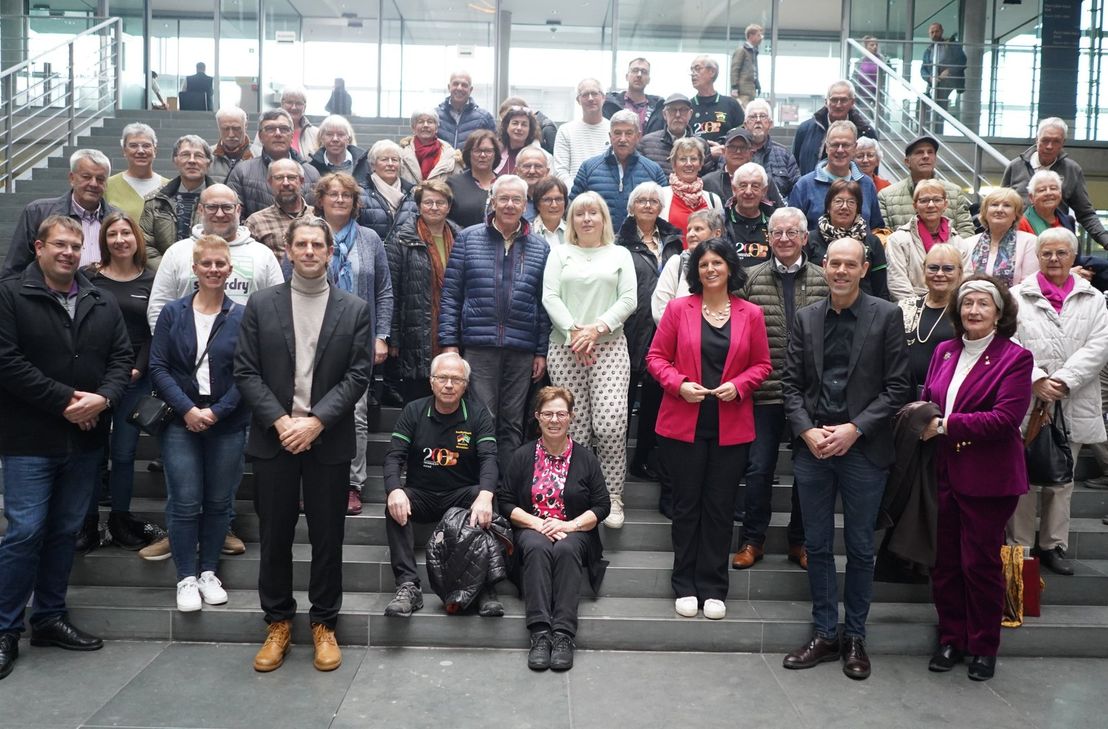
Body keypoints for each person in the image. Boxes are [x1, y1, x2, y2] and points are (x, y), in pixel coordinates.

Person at [234, 216, 372, 673]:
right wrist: (280, 421)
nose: (310, 251)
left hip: (326, 441)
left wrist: (314, 421)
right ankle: (277, 623)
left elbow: (358, 375)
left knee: (327, 538)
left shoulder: (353, 308)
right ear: (288, 251)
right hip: (275, 440)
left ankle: (323, 624)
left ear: (330, 253)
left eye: (319, 245)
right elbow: (246, 371)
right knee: (273, 537)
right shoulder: (260, 304)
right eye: (302, 245)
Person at [0, 215, 132, 681]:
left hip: (86, 438)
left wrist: (106, 397)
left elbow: (122, 358)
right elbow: (6, 362)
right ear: (38, 247)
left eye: (76, 246)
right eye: (60, 245)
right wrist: (66, 402)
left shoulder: (99, 298)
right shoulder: (11, 295)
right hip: (28, 440)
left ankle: (49, 617)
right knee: (24, 532)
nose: (68, 253)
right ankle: (4, 629)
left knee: (64, 532)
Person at [781, 237, 911, 680]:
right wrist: (807, 429)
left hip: (863, 449)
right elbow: (791, 385)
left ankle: (855, 636)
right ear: (824, 266)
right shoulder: (806, 317)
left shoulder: (887, 315)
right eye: (833, 263)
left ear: (863, 268)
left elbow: (898, 388)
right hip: (814, 448)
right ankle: (824, 632)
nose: (839, 270)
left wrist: (855, 429)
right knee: (816, 546)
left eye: (848, 264)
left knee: (858, 548)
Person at [647, 236, 771, 619]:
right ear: (695, 272)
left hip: (730, 426)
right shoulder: (677, 308)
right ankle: (684, 583)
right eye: (703, 264)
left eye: (717, 262)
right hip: (683, 425)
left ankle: (714, 586)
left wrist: (740, 385)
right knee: (686, 507)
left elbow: (763, 365)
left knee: (719, 508)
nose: (711, 269)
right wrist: (678, 385)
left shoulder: (750, 313)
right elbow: (655, 357)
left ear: (731, 268)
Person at [920, 275, 1032, 681]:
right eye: (967, 304)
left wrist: (946, 425)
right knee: (945, 563)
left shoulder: (1014, 358)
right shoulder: (945, 351)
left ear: (1000, 313)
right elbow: (929, 396)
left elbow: (1005, 420)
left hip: (989, 478)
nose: (974, 311)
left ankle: (983, 646)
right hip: (944, 472)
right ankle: (951, 637)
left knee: (979, 564)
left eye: (983, 304)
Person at [148, 234, 248, 612]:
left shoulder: (241, 316)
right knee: (186, 501)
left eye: (220, 264)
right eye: (206, 264)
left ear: (230, 269)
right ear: (194, 268)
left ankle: (209, 571)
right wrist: (188, 409)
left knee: (220, 501)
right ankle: (186, 576)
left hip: (227, 419)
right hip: (180, 419)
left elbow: (248, 371)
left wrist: (218, 411)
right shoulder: (173, 313)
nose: (213, 269)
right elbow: (158, 367)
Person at [733, 207, 828, 571]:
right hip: (765, 392)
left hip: (811, 396)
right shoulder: (751, 279)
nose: (784, 239)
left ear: (805, 238)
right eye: (777, 233)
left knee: (809, 469)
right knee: (758, 469)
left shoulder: (824, 279)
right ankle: (752, 540)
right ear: (767, 238)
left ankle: (800, 542)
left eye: (792, 233)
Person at [1009, 228, 1108, 576]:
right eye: (1047, 253)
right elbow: (1010, 342)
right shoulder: (1016, 296)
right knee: (1021, 477)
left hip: (1075, 397)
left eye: (1062, 253)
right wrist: (1036, 378)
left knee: (1062, 478)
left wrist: (1064, 381)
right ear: (1037, 255)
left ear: (1073, 256)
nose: (1054, 259)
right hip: (1025, 398)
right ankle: (1019, 545)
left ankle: (1053, 545)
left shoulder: (1093, 298)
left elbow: (1100, 346)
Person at [439, 174, 551, 470]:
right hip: (478, 345)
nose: (510, 204)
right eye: (504, 198)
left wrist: (541, 351)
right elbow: (451, 295)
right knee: (481, 416)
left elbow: (544, 304)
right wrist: (450, 344)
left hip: (522, 347)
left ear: (526, 203)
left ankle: (506, 489)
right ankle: (480, 483)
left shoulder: (541, 247)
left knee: (513, 422)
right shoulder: (468, 238)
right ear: (493, 201)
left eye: (516, 199)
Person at [499, 386, 610, 671]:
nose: (554, 420)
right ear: (537, 417)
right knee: (535, 546)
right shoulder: (522, 456)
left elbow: (601, 506)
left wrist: (569, 525)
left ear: (571, 417)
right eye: (547, 413)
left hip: (573, 531)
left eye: (561, 413)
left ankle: (562, 635)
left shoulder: (585, 459)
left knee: (565, 547)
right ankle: (539, 634)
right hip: (531, 527)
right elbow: (506, 500)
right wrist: (537, 523)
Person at [543, 192, 637, 528]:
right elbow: (550, 297)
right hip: (565, 347)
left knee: (610, 424)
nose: (586, 218)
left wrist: (595, 330)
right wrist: (574, 332)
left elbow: (628, 299)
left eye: (593, 212)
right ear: (572, 220)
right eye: (579, 213)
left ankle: (612, 496)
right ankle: (577, 495)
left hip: (609, 347)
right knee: (573, 427)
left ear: (603, 219)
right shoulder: (560, 253)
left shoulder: (619, 254)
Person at [381, 352, 500, 618]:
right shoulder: (413, 410)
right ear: (431, 382)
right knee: (394, 504)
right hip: (421, 495)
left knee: (486, 498)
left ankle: (483, 587)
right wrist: (394, 489)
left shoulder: (478, 415)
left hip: (458, 500)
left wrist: (485, 494)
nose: (448, 384)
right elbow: (393, 457)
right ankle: (408, 586)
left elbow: (489, 459)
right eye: (442, 378)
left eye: (456, 379)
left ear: (465, 385)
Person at [312, 172, 394, 512]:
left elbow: (384, 291)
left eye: (346, 195)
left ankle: (352, 484)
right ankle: (314, 479)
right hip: (315, 336)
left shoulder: (370, 239)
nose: (340, 200)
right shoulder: (309, 235)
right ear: (322, 199)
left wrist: (382, 336)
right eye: (333, 194)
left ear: (355, 201)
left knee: (356, 415)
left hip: (359, 337)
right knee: (314, 409)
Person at [78, 213, 157, 552]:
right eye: (113, 234)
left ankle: (120, 519)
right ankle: (88, 522)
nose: (120, 239)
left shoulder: (152, 279)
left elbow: (157, 331)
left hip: (134, 380)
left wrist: (137, 369)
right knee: (93, 453)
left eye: (127, 233)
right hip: (94, 379)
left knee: (124, 454)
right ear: (104, 240)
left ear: (137, 238)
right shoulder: (87, 277)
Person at [618, 182, 683, 492]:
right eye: (641, 200)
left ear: (661, 207)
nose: (647, 205)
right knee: (623, 400)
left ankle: (643, 458)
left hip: (667, 331)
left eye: (653, 201)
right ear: (632, 207)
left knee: (656, 402)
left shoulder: (675, 242)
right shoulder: (620, 243)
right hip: (630, 330)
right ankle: (615, 463)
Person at [147, 184, 285, 330]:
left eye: (227, 207)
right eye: (212, 207)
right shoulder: (177, 252)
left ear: (238, 210)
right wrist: (165, 345)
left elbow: (277, 307)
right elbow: (159, 306)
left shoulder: (262, 254)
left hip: (246, 348)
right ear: (200, 210)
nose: (219, 214)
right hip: (186, 348)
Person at [387, 179, 462, 404]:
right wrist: (394, 337)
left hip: (452, 329)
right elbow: (392, 290)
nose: (434, 207)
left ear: (448, 206)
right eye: (428, 202)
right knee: (419, 400)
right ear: (419, 206)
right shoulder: (401, 238)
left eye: (440, 202)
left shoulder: (462, 237)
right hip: (414, 334)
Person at [5, 149, 116, 274]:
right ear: (72, 178)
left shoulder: (116, 219)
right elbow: (15, 268)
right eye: (86, 177)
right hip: (49, 292)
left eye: (100, 179)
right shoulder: (38, 212)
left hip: (104, 291)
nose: (94, 184)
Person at [1003, 118, 1108, 250]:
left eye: (1056, 141)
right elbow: (1001, 203)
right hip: (1017, 241)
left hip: (1056, 243)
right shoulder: (1015, 166)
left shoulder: (1072, 170)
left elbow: (1085, 213)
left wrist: (1105, 240)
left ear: (1063, 143)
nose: (1049, 146)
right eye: (1045, 140)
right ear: (1037, 139)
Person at [570, 110, 667, 230]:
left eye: (629, 133)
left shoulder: (653, 170)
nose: (622, 139)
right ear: (610, 137)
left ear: (638, 136)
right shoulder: (588, 168)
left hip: (640, 244)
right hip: (598, 243)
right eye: (617, 133)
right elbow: (573, 208)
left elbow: (664, 211)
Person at [791, 120, 884, 234]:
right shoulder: (804, 185)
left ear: (855, 148)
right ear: (826, 147)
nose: (840, 150)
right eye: (835, 145)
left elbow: (876, 227)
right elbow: (793, 230)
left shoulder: (867, 184)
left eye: (845, 145)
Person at [885, 179, 971, 302]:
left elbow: (965, 281)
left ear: (945, 204)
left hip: (950, 311)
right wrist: (920, 310)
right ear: (915, 206)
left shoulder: (959, 243)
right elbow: (897, 283)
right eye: (924, 200)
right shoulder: (898, 240)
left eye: (937, 200)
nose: (931, 205)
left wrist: (949, 308)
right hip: (911, 310)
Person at [226, 109, 320, 217]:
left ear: (291, 136)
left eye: (284, 129)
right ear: (260, 137)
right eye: (270, 129)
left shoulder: (311, 173)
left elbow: (318, 215)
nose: (278, 134)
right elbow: (233, 216)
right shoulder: (242, 172)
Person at [897, 243, 964, 396]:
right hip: (903, 394)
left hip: (945, 396)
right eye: (933, 268)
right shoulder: (905, 306)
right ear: (924, 270)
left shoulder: (965, 312)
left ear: (960, 273)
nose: (939, 274)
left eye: (948, 269)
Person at [804, 179, 889, 299]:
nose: (844, 207)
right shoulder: (810, 239)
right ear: (828, 207)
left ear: (858, 209)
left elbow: (881, 290)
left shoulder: (872, 242)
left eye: (851, 202)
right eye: (838, 201)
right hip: (819, 307)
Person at [141, 135, 215, 269]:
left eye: (198, 155)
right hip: (166, 275)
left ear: (208, 162)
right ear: (175, 160)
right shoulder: (155, 200)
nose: (192, 161)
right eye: (185, 155)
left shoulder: (225, 200)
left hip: (212, 273)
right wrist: (169, 271)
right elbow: (145, 245)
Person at [877, 135, 974, 236]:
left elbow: (966, 232)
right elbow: (884, 237)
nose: (926, 156)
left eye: (930, 152)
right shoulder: (886, 196)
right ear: (907, 161)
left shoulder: (955, 192)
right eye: (919, 152)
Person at [652, 209, 726, 321]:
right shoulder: (677, 263)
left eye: (698, 229)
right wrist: (683, 333)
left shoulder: (727, 264)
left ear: (717, 233)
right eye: (689, 230)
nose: (691, 234)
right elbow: (659, 309)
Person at [792, 80, 877, 176]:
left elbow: (873, 172)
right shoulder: (805, 130)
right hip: (812, 188)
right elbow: (794, 167)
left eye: (844, 100)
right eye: (834, 100)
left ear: (852, 102)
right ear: (826, 102)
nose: (838, 105)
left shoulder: (866, 132)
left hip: (853, 189)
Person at [963, 187, 1037, 288]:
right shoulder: (967, 244)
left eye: (1007, 205)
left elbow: (1029, 285)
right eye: (994, 205)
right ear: (985, 212)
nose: (999, 210)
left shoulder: (1030, 242)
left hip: (1015, 302)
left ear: (1016, 214)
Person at [244, 159, 314, 260]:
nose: (285, 183)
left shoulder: (318, 215)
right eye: (279, 178)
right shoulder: (256, 222)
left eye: (291, 177)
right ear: (270, 182)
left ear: (301, 181)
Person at [702, 127, 784, 207]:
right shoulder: (709, 182)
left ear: (752, 153)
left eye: (743, 147)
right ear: (724, 151)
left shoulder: (764, 180)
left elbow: (780, 211)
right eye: (732, 147)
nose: (738, 151)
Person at [660, 137, 723, 241]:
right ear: (674, 165)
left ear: (701, 164)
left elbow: (719, 238)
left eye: (693, 159)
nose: (688, 164)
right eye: (683, 159)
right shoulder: (661, 196)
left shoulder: (713, 200)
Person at [104, 123, 168, 222]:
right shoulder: (107, 186)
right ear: (124, 151)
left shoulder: (169, 186)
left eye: (146, 146)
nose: (141, 151)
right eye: (133, 146)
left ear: (155, 151)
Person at [554, 79, 613, 185]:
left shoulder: (614, 130)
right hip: (575, 198)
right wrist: (576, 194)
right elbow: (560, 172)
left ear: (603, 97)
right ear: (578, 100)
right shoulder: (565, 131)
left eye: (594, 93)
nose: (590, 98)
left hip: (606, 197)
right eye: (585, 94)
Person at [636, 93, 710, 177]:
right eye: (672, 110)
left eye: (683, 110)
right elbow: (638, 178)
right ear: (664, 114)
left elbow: (707, 180)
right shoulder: (647, 143)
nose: (678, 115)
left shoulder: (701, 145)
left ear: (690, 114)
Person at [359, 139, 418, 242]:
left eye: (394, 160)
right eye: (384, 159)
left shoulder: (412, 193)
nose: (390, 164)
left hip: (404, 256)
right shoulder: (361, 193)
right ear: (373, 165)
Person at [744, 99, 800, 198]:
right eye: (752, 117)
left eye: (763, 116)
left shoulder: (785, 154)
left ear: (771, 123)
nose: (758, 120)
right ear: (745, 125)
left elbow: (797, 190)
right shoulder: (735, 153)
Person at [724, 162, 776, 267]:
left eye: (755, 186)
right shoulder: (721, 222)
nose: (748, 192)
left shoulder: (774, 225)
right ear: (734, 189)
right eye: (743, 186)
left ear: (764, 191)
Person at [689, 55, 745, 152]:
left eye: (697, 69)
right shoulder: (688, 106)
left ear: (712, 72)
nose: (693, 74)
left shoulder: (731, 104)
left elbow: (743, 135)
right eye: (692, 70)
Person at [446, 129, 499, 229]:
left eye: (488, 151)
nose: (482, 155)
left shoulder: (505, 184)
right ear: (468, 153)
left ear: (495, 154)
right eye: (477, 151)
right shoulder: (453, 184)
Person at [921, 23, 966, 131]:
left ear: (941, 31)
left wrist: (949, 71)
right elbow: (923, 69)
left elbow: (962, 60)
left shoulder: (951, 45)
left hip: (949, 82)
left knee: (940, 109)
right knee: (932, 108)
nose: (934, 34)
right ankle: (933, 130)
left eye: (936, 31)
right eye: (932, 32)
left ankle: (938, 131)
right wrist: (930, 78)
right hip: (935, 83)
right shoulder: (928, 50)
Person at [602, 58, 665, 135]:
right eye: (635, 70)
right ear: (627, 76)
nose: (639, 75)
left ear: (648, 80)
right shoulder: (610, 104)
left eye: (644, 72)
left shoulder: (659, 107)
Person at [436, 71, 497, 149]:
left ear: (470, 89)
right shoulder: (435, 116)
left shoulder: (484, 117)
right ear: (449, 87)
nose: (459, 88)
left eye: (464, 85)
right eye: (455, 84)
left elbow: (493, 149)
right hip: (441, 161)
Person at [399, 109, 458, 185]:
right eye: (420, 122)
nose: (425, 125)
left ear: (436, 128)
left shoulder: (451, 155)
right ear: (413, 128)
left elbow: (457, 185)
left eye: (430, 122)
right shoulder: (401, 153)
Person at [308, 115, 370, 182]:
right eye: (329, 134)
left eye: (340, 134)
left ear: (349, 138)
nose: (335, 139)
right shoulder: (312, 168)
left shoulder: (365, 165)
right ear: (322, 138)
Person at [1018, 170, 1075, 236]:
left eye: (1053, 188)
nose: (1048, 193)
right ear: (1031, 197)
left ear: (1060, 193)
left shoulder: (1069, 221)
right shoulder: (1022, 223)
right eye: (1042, 190)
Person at [495, 104, 547, 176]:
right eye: (515, 123)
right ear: (506, 126)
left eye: (524, 124)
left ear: (530, 129)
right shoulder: (495, 152)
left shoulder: (542, 156)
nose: (519, 128)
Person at [209, 107, 253, 184]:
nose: (231, 134)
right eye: (225, 129)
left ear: (245, 126)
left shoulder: (259, 155)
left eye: (236, 129)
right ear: (218, 127)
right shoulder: (207, 156)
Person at [274, 86, 319, 158]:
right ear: (282, 104)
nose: (294, 107)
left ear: (305, 107)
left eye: (298, 103)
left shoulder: (316, 134)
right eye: (289, 102)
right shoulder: (267, 130)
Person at [730, 24, 764, 105]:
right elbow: (735, 69)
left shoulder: (753, 52)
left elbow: (753, 71)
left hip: (750, 92)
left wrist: (756, 83)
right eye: (758, 35)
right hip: (742, 92)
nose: (761, 38)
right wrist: (734, 87)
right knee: (744, 114)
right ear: (751, 36)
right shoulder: (741, 51)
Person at [531, 175, 568, 248]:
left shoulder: (574, 232)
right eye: (547, 200)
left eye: (559, 199)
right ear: (538, 204)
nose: (554, 205)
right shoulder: (528, 232)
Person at [853, 36, 882, 109]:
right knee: (865, 116)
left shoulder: (882, 60)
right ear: (866, 47)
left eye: (876, 45)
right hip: (863, 94)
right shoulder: (860, 62)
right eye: (872, 45)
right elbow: (854, 77)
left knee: (877, 116)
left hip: (878, 94)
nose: (875, 47)